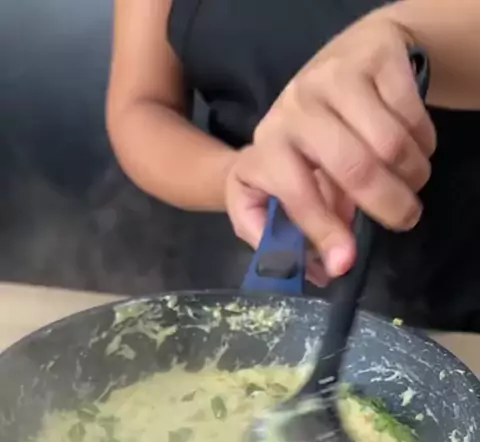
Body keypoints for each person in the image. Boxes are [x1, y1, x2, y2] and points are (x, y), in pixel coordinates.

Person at [106, 0, 480, 330]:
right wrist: (233, 174)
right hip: (247, 262)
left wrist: (405, 34)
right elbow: (142, 105)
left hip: (456, 291)